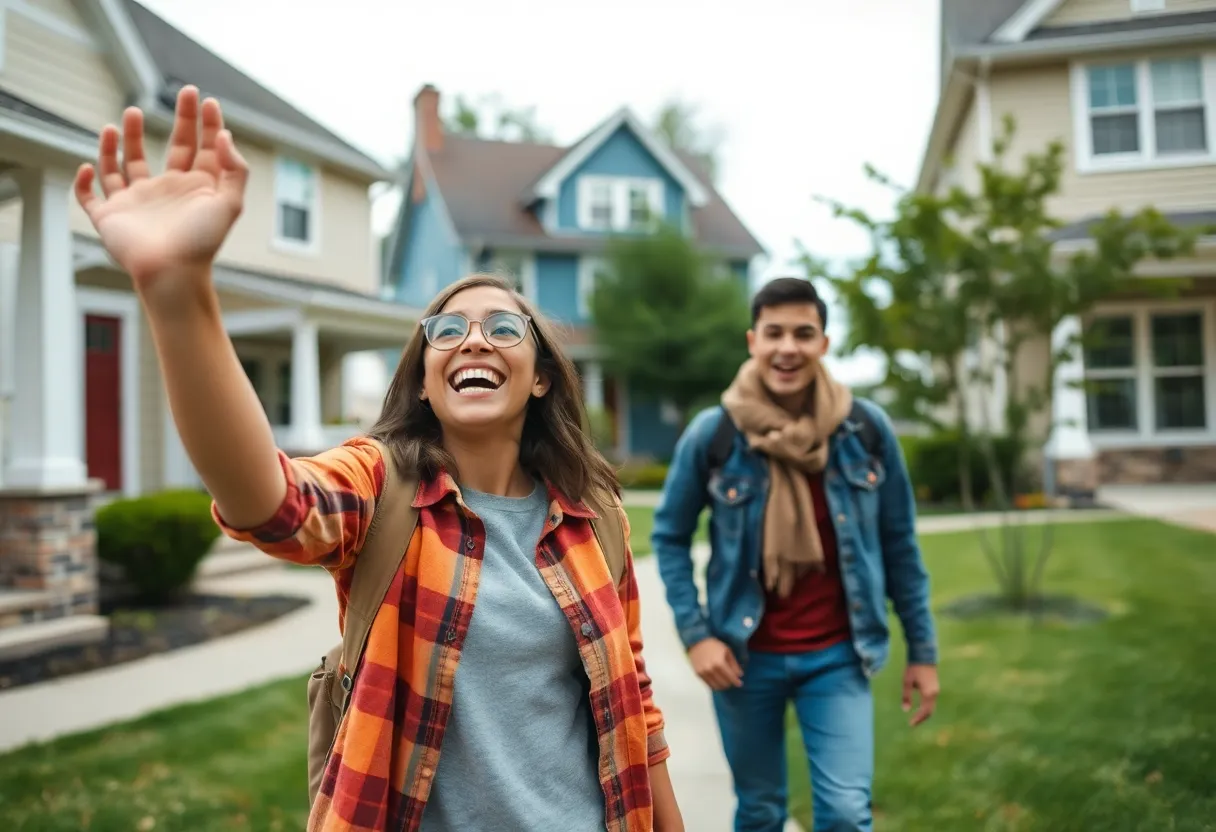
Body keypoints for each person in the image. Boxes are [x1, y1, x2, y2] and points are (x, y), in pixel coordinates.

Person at [75, 85, 684, 832]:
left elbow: (635, 704)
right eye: (447, 330)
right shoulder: (383, 486)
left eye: (502, 327)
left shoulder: (599, 520)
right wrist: (178, 293)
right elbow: (272, 504)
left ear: (542, 375)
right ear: (426, 380)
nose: (473, 339)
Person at [651, 277, 939, 832]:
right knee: (759, 811)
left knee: (845, 813)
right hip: (743, 658)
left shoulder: (865, 430)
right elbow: (668, 536)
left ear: (824, 344)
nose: (789, 347)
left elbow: (901, 544)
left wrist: (922, 652)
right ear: (752, 340)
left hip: (837, 656)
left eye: (804, 333)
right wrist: (697, 634)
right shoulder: (714, 435)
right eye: (775, 332)